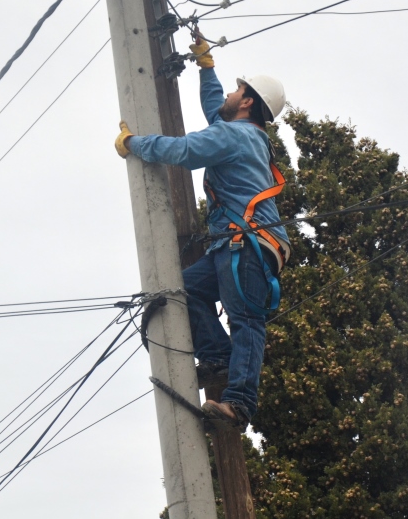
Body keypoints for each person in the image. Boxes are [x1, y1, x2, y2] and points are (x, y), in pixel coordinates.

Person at [113, 36, 290, 429]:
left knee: (246, 321)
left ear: (247, 102)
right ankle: (218, 357)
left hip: (249, 245)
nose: (229, 92)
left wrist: (134, 144)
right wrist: (206, 66)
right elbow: (217, 108)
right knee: (182, 291)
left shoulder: (234, 137)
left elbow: (183, 152)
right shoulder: (241, 133)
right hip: (236, 244)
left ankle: (240, 405)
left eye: (236, 89)